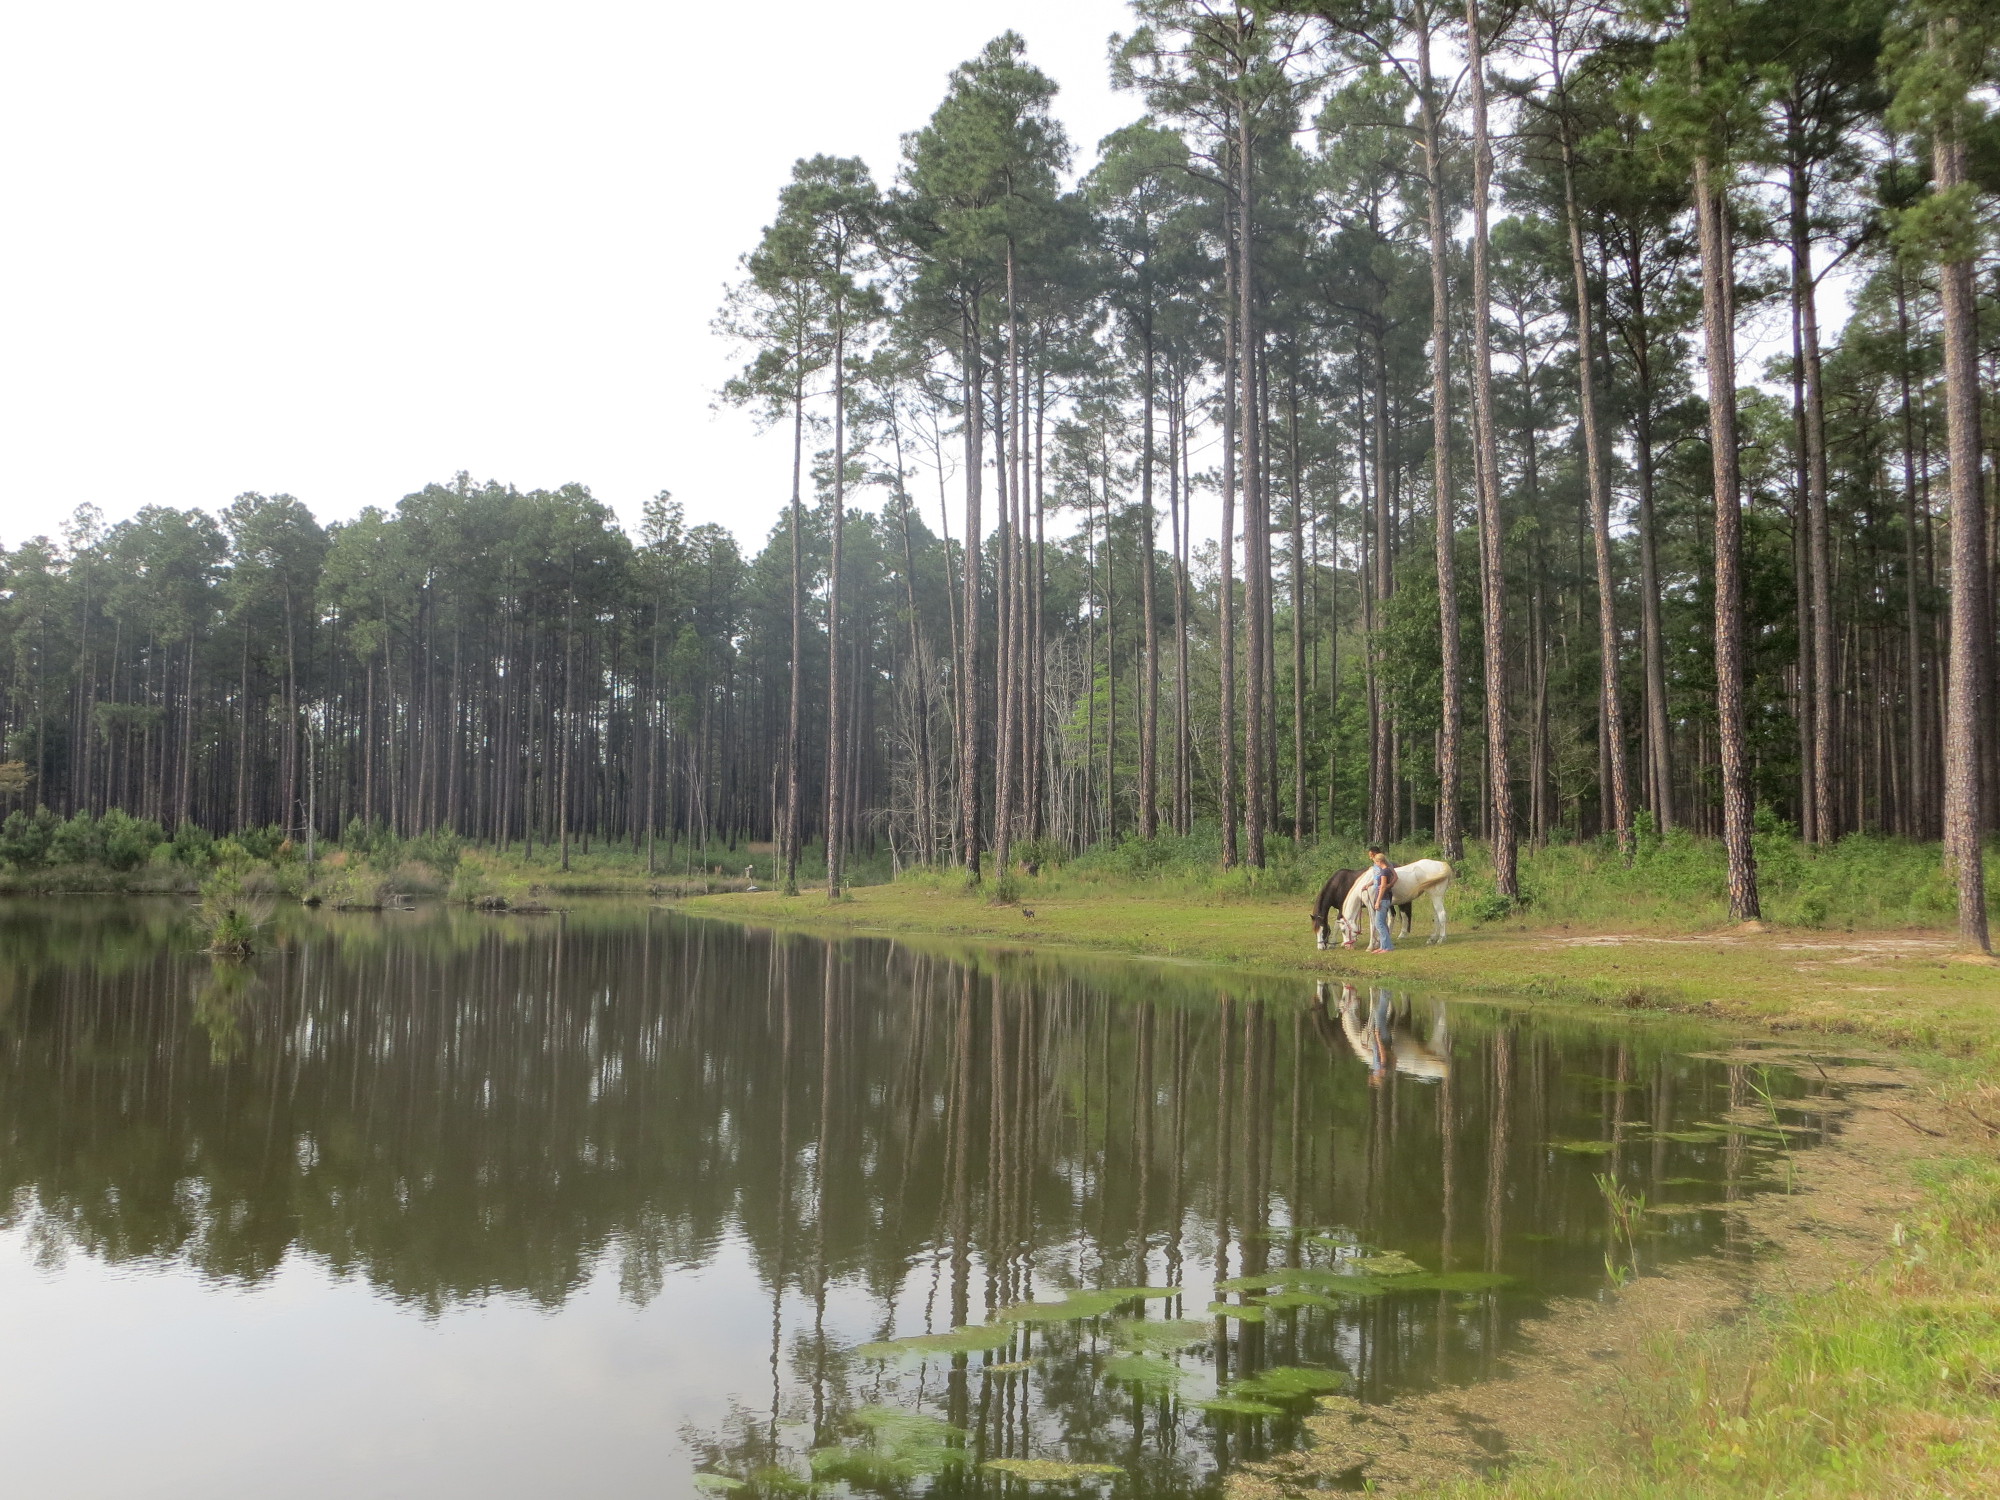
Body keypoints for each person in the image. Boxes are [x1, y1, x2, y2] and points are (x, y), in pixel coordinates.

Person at [1363, 845, 1397, 953]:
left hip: (1383, 897)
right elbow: (1376, 879)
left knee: (1379, 923)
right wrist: (1368, 884)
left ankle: (1387, 947)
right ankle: (1383, 946)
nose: (1372, 860)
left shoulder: (1385, 870)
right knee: (1381, 923)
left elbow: (1383, 885)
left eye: (1372, 856)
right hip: (1381, 896)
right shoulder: (1381, 869)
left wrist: (1388, 886)